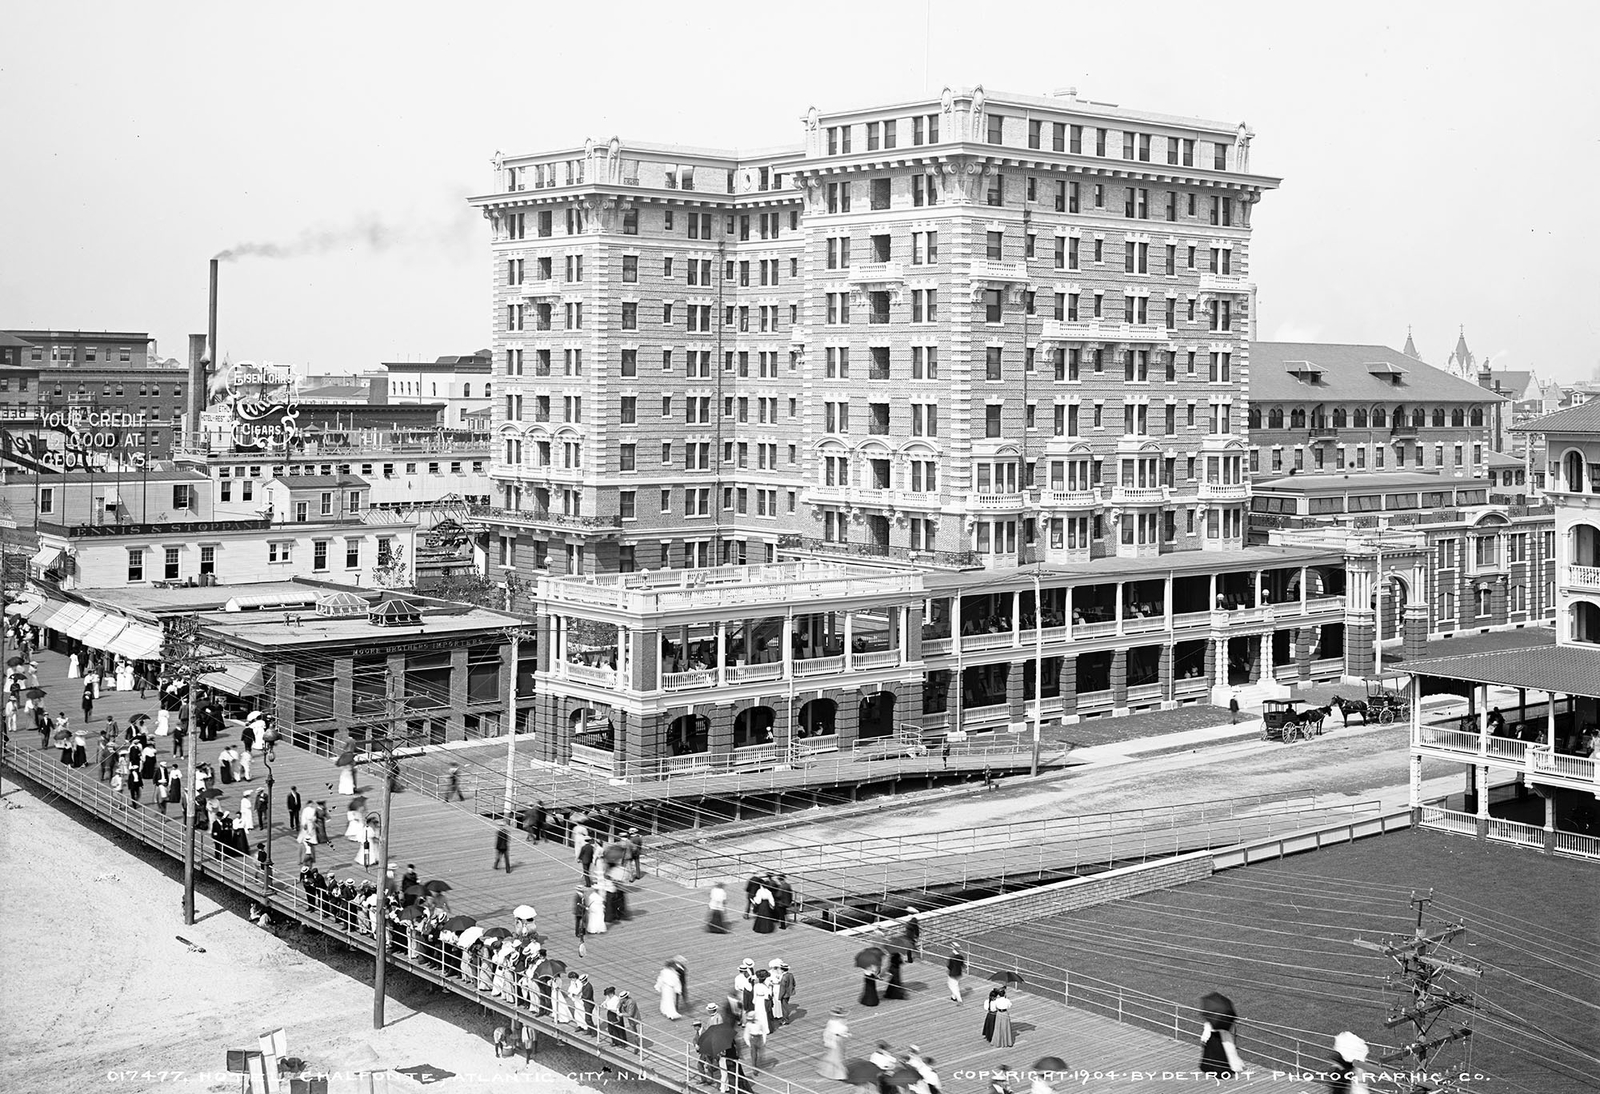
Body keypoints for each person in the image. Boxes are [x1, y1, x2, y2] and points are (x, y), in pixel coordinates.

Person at [817, 1008, 849, 1080]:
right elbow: (839, 1033)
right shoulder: (841, 1025)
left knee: (832, 1056)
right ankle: (837, 1074)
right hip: (836, 1041)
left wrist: (826, 1041)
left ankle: (828, 1072)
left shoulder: (832, 1022)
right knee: (837, 1057)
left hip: (832, 1041)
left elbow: (827, 1032)